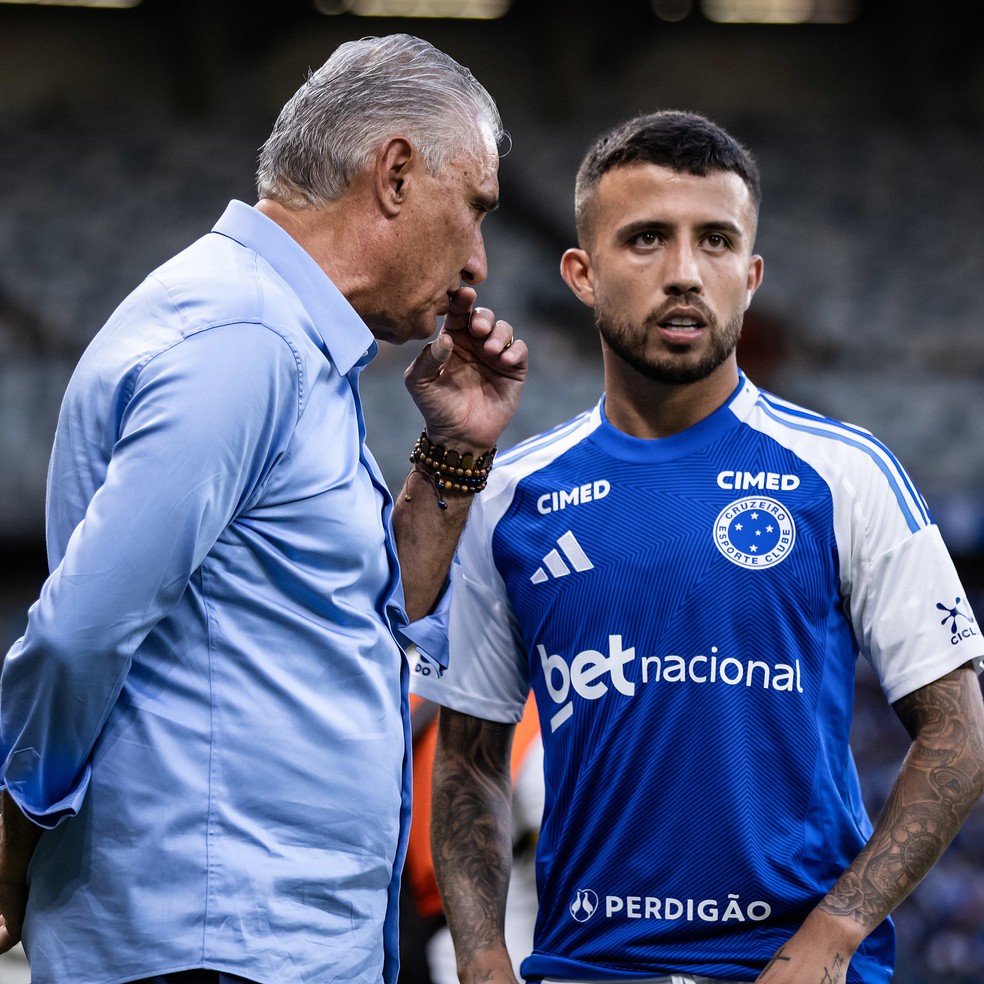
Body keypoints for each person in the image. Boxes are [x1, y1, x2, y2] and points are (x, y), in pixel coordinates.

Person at [0, 33, 527, 984]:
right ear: (395, 174)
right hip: (206, 945)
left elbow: (360, 620)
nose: (481, 260)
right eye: (476, 207)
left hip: (259, 942)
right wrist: (12, 831)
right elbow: (82, 630)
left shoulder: (284, 340)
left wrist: (454, 452)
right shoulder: (242, 338)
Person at [411, 110, 984, 984]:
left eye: (715, 241)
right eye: (646, 239)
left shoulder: (847, 473)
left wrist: (833, 935)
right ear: (582, 274)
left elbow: (960, 729)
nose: (684, 272)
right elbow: (467, 760)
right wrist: (484, 961)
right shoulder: (510, 496)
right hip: (585, 970)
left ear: (750, 277)